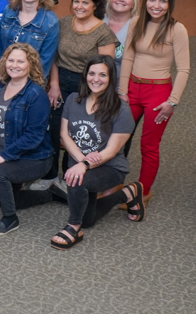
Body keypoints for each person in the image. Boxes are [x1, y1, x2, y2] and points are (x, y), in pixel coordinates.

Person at [48, 55, 144, 249]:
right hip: (82, 163)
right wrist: (83, 161)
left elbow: (112, 150)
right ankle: (129, 193)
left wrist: (84, 166)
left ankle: (74, 228)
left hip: (109, 167)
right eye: (92, 73)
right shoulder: (73, 99)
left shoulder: (121, 109)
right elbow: (64, 136)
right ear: (85, 76)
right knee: (89, 218)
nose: (96, 79)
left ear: (111, 79)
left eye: (102, 74)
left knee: (77, 180)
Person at [119, 0, 190, 199]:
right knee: (117, 137)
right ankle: (111, 186)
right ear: (146, 1)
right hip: (132, 89)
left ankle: (142, 193)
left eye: (162, 1)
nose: (156, 5)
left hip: (158, 95)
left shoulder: (176, 29)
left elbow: (184, 69)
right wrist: (122, 92)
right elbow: (129, 56)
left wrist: (173, 101)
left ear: (170, 4)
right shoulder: (136, 22)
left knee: (149, 145)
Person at [46, 0, 117, 189]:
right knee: (55, 128)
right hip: (60, 83)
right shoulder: (64, 23)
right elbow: (55, 57)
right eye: (76, 1)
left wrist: (92, 93)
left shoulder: (103, 32)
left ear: (95, 5)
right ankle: (50, 175)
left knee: (77, 133)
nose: (80, 6)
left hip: (88, 86)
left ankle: (72, 176)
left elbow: (106, 70)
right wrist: (54, 84)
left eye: (85, 2)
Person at [0, 43, 54, 236]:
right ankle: (50, 194)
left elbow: (34, 136)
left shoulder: (36, 94)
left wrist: (2, 157)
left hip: (34, 157)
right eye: (11, 60)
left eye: (21, 61)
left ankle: (10, 219)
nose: (15, 65)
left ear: (30, 65)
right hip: (5, 153)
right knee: (6, 194)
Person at [0, 0, 59, 76]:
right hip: (2, 77)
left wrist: (22, 85)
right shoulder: (9, 11)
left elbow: (44, 62)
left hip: (30, 84)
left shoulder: (51, 22)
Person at [104, 0, 140, 75]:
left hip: (124, 81)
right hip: (96, 80)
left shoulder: (138, 27)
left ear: (133, 3)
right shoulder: (99, 22)